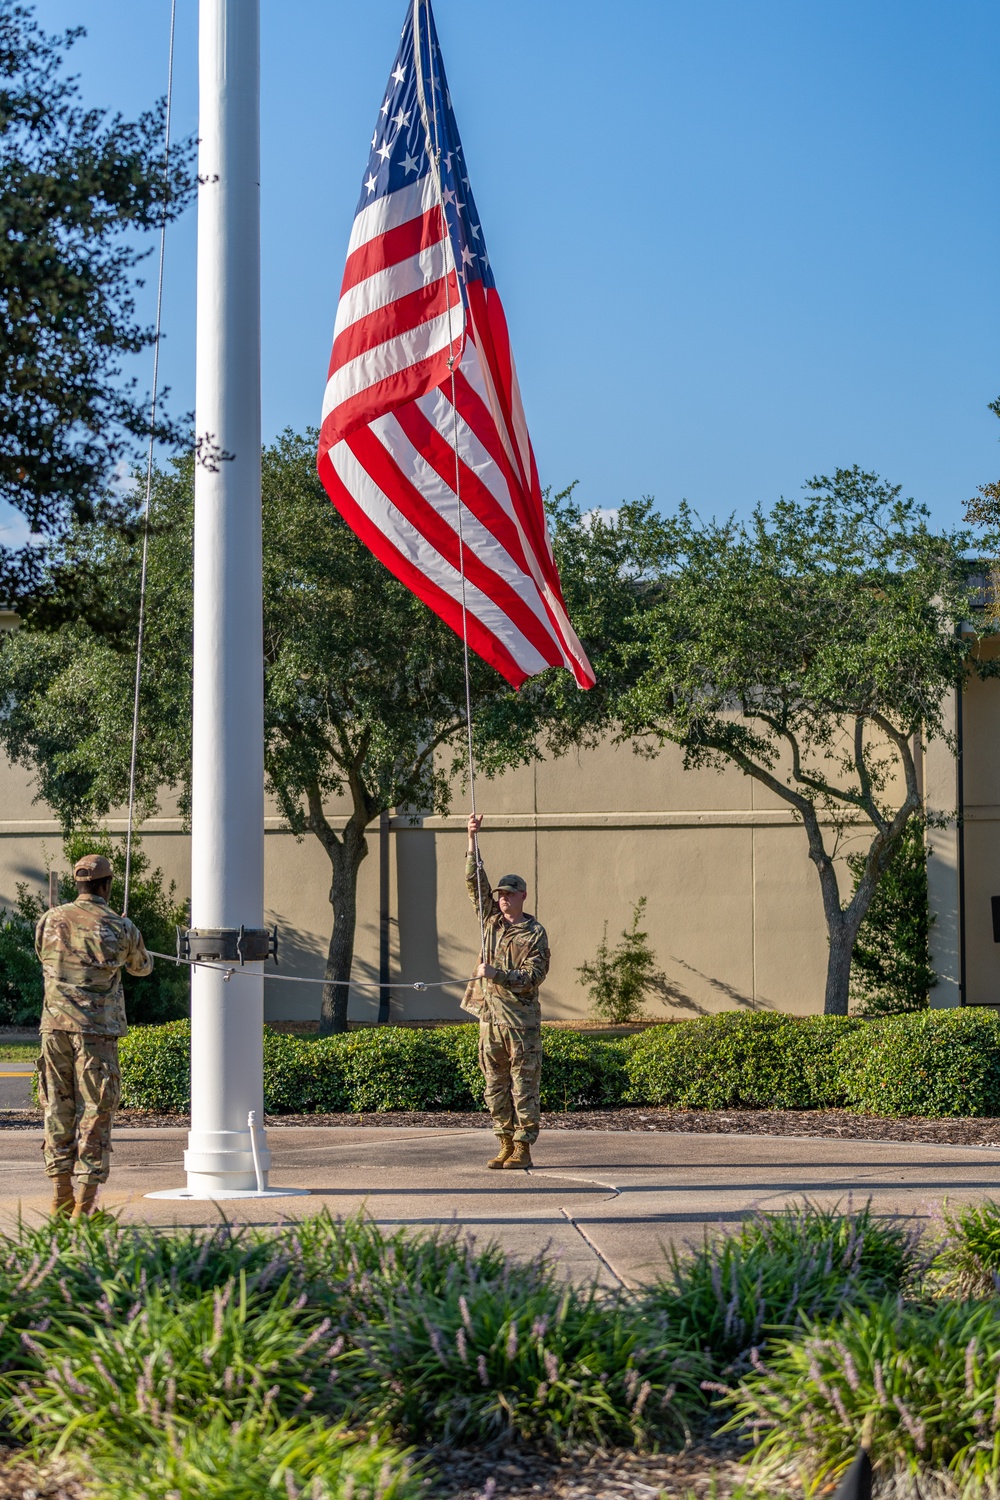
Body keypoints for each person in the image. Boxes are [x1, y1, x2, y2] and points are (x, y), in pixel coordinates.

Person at [35, 854, 152, 1219]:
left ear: (79, 883)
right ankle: (84, 1209)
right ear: (107, 884)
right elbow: (141, 967)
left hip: (53, 1030)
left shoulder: (49, 920)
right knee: (96, 1114)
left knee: (57, 1109)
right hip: (96, 1033)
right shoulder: (120, 926)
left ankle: (61, 1199)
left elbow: (43, 955)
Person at [463, 813, 550, 1170]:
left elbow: (534, 976)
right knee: (494, 1086)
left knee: (523, 1087)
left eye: (509, 895)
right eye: (500, 895)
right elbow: (474, 882)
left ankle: (523, 1146)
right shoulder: (490, 923)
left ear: (523, 896)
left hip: (520, 1022)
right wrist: (472, 838)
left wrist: (497, 973)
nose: (502, 900)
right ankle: (503, 1142)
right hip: (490, 1019)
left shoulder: (534, 933)